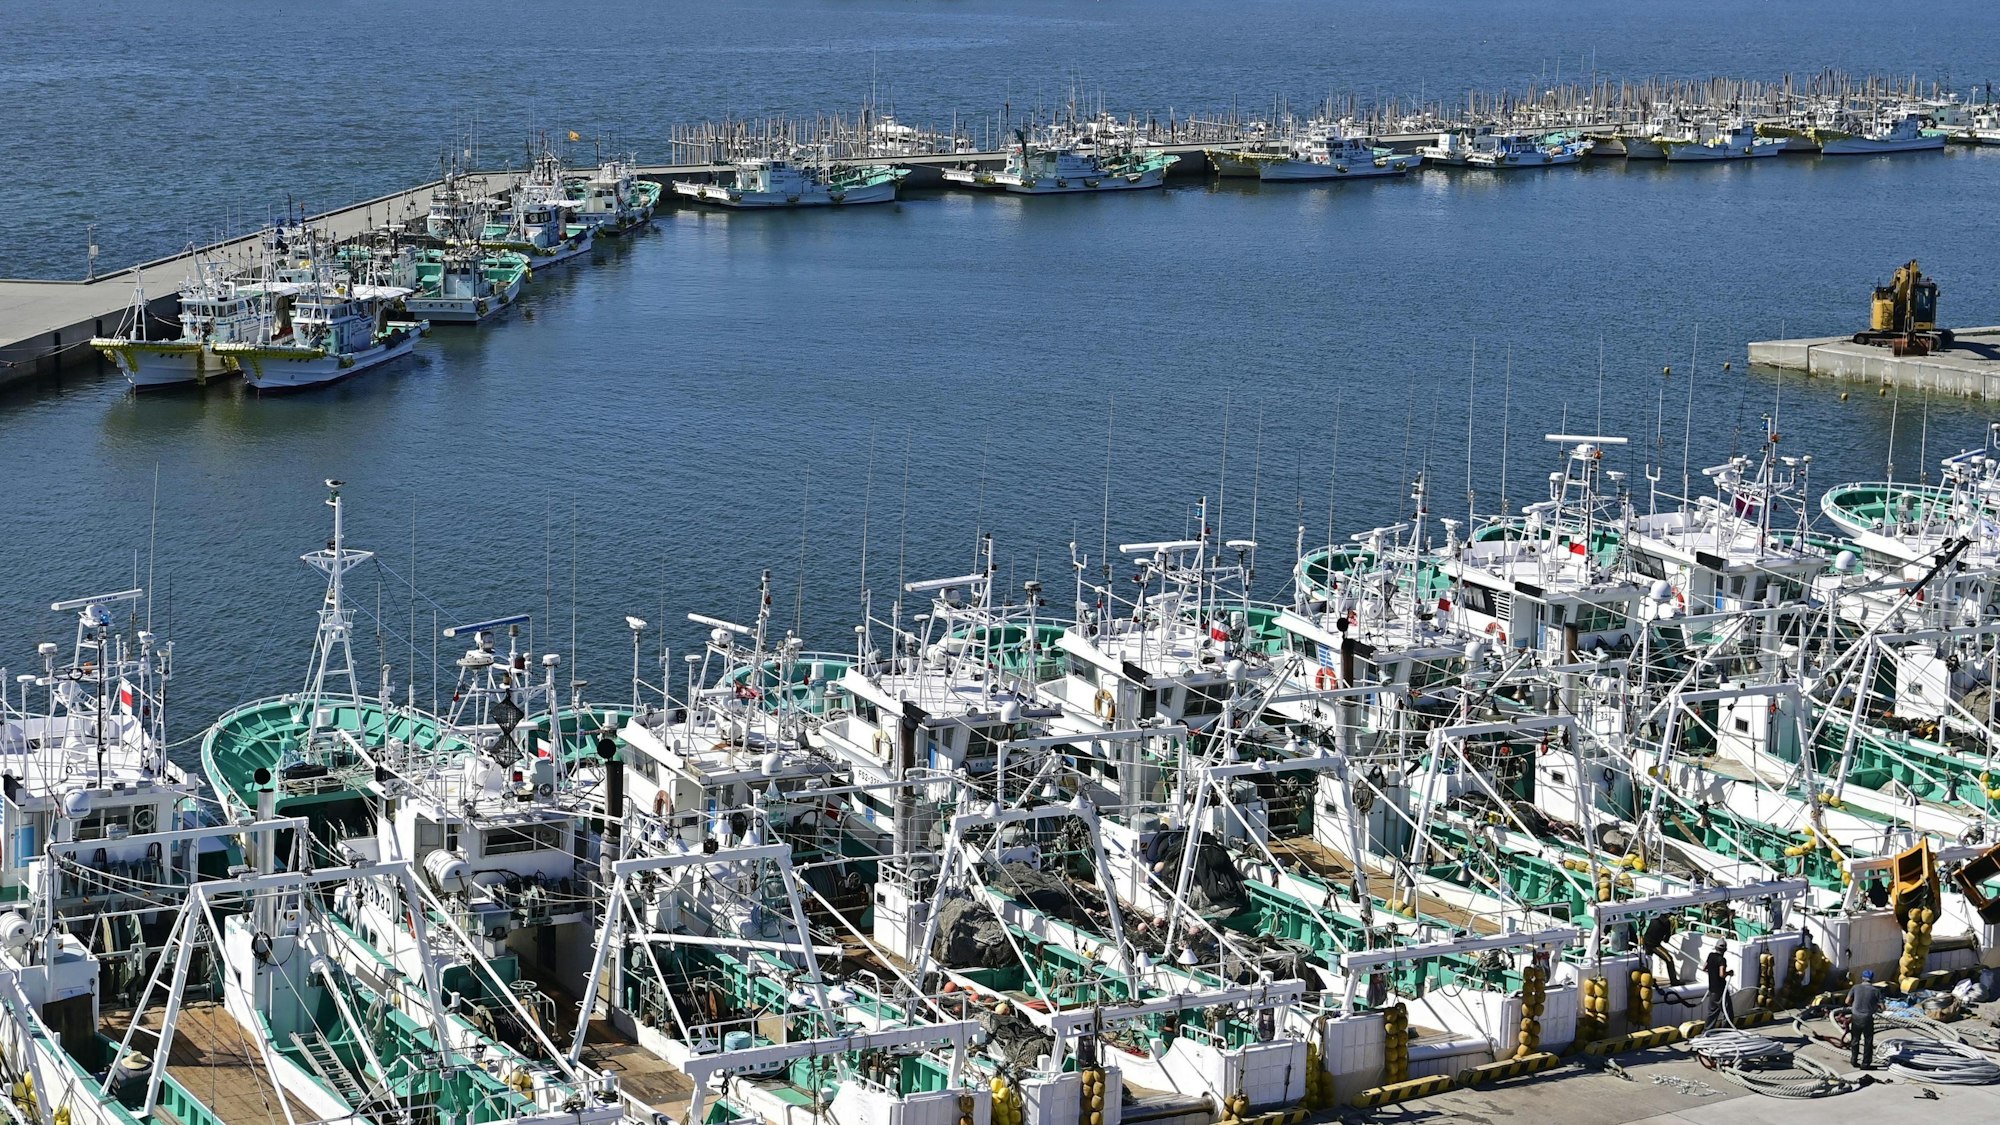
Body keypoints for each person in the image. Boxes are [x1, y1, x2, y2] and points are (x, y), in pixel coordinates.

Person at [1847, 969, 1881, 1069]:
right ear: (1872, 979)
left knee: (1855, 1039)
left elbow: (1847, 1001)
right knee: (1868, 1041)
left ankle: (1853, 1061)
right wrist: (1875, 1007)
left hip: (1856, 1017)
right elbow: (1883, 1007)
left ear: (1862, 978)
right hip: (1867, 1018)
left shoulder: (1855, 987)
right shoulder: (1876, 991)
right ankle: (1865, 1064)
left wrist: (1854, 1006)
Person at [1642, 913, 1682, 985]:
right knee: (1669, 959)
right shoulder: (1667, 922)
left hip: (1646, 942)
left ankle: (1648, 980)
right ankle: (1674, 981)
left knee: (1648, 961)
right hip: (1654, 945)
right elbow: (1666, 940)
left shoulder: (1654, 917)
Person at [1704, 939, 1733, 1026]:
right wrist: (1729, 973)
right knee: (1728, 1012)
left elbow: (1704, 968)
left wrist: (1712, 972)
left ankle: (1707, 1031)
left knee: (1712, 1012)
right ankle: (1726, 1030)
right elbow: (1722, 974)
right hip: (1720, 990)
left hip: (1712, 988)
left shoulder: (1710, 956)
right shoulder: (1722, 960)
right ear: (1725, 950)